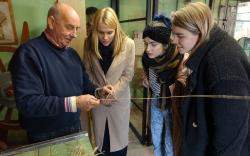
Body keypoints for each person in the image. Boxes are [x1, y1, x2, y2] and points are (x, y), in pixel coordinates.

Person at [9, 2, 112, 143]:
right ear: (51, 22)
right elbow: (28, 103)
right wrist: (75, 102)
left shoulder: (72, 54)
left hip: (74, 126)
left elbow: (84, 84)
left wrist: (98, 91)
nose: (75, 34)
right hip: (45, 133)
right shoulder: (28, 53)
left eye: (77, 29)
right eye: (70, 27)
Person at [170, 2, 250, 156]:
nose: (174, 40)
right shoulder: (211, 48)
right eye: (174, 34)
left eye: (180, 35)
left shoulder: (224, 68)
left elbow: (229, 143)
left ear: (199, 32)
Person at [83, 7, 135, 156]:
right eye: (100, 32)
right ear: (95, 30)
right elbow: (86, 72)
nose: (105, 37)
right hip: (98, 101)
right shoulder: (88, 44)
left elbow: (128, 74)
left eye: (109, 32)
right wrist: (99, 89)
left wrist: (115, 90)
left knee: (119, 144)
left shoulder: (128, 44)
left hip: (119, 101)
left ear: (116, 29)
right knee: (101, 143)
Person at [142, 15, 183, 156]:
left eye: (153, 44)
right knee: (156, 136)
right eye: (146, 43)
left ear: (165, 44)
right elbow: (148, 76)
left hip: (172, 104)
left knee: (170, 140)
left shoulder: (178, 60)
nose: (148, 49)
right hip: (156, 100)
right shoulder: (147, 59)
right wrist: (147, 80)